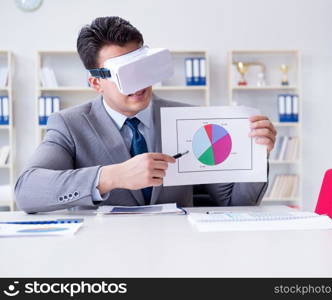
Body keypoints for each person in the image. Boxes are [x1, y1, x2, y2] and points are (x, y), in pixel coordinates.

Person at [14, 16, 277, 213]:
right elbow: (27, 191)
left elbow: (236, 204)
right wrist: (111, 177)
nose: (139, 85)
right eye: (125, 75)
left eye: (142, 68)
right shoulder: (70, 125)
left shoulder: (189, 119)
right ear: (96, 83)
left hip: (177, 251)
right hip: (100, 257)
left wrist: (255, 153)